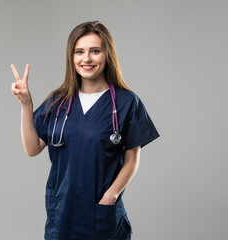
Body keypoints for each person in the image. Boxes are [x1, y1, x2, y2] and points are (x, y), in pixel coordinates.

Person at [10, 20, 159, 240]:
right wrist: (26, 105)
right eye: (79, 51)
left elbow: (131, 161)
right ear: (71, 57)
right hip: (62, 214)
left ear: (107, 55)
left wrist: (111, 196)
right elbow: (32, 149)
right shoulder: (57, 102)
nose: (86, 58)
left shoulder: (127, 103)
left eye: (95, 51)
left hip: (102, 213)